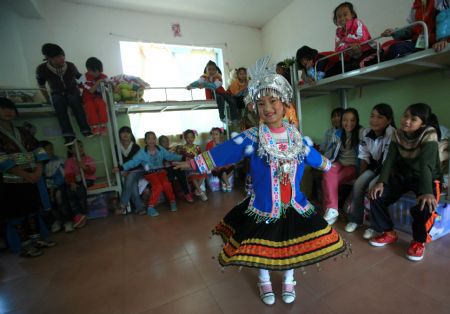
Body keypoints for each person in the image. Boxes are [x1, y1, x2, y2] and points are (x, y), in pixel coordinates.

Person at [174, 64, 345, 306]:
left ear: (285, 105)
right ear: (256, 109)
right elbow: (225, 152)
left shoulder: (297, 137)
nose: (267, 108)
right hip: (263, 207)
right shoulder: (252, 137)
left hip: (295, 205)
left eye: (273, 101)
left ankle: (289, 278)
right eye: (261, 104)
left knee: (290, 245)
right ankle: (264, 279)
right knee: (262, 248)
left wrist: (329, 166)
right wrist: (194, 164)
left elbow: (315, 158)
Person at [368, 103, 442, 262]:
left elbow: (426, 165)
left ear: (422, 123)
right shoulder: (397, 133)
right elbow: (390, 159)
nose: (406, 121)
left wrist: (427, 192)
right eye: (405, 116)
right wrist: (381, 181)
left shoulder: (429, 133)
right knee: (375, 195)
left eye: (413, 119)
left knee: (427, 204)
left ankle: (418, 241)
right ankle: (388, 232)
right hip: (404, 175)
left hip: (427, 177)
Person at [0, 98, 55, 257]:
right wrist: (25, 174)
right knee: (17, 214)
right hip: (10, 181)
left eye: (10, 108)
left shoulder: (23, 132)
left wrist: (37, 172)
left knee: (32, 210)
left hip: (32, 178)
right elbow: (2, 160)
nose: (8, 112)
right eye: (3, 108)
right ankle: (25, 245)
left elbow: (39, 152)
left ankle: (37, 240)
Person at [344, 104, 396, 240]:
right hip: (375, 166)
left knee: (373, 187)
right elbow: (364, 156)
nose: (374, 120)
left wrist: (380, 181)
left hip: (389, 169)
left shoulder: (391, 133)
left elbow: (388, 162)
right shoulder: (366, 133)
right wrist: (360, 176)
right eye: (372, 116)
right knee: (358, 184)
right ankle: (356, 219)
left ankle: (375, 226)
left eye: (380, 117)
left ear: (389, 120)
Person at [36, 43, 92, 145]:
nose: (62, 58)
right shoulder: (42, 69)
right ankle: (68, 135)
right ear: (49, 58)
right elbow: (41, 86)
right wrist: (48, 100)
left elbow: (80, 78)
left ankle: (85, 130)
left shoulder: (70, 66)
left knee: (75, 102)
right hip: (57, 93)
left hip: (72, 91)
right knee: (58, 104)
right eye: (57, 57)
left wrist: (88, 87)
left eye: (63, 55)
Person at [117, 131, 182, 217]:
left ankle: (172, 201)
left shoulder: (160, 149)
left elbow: (170, 156)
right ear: (145, 141)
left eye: (153, 138)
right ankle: (150, 207)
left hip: (161, 172)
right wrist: (121, 167)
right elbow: (134, 161)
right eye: (149, 138)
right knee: (158, 186)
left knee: (167, 184)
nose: (151, 140)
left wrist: (182, 157)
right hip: (150, 174)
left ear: (156, 140)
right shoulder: (142, 152)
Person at [322, 108, 362, 225]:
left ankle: (330, 210)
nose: (348, 123)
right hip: (339, 163)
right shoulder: (338, 133)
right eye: (345, 120)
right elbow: (330, 152)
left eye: (352, 120)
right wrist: (324, 161)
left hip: (353, 166)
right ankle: (333, 210)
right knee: (328, 171)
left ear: (357, 120)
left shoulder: (361, 132)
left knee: (328, 181)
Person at [41, 140, 87, 232]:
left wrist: (55, 186)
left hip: (61, 184)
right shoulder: (40, 164)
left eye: (51, 149)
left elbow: (64, 176)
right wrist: (50, 188)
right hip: (48, 186)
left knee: (59, 195)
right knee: (48, 199)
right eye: (47, 150)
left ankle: (67, 220)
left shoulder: (59, 160)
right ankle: (56, 220)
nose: (50, 151)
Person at [381, 0, 450, 58]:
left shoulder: (440, 1)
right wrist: (394, 32)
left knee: (395, 49)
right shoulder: (416, 5)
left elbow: (445, 17)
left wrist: (443, 39)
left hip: (437, 41)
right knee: (394, 48)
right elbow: (411, 28)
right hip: (419, 44)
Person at [333, 2, 375, 70]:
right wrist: (348, 46)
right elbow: (337, 49)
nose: (342, 18)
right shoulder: (338, 32)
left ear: (352, 14)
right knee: (338, 68)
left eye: (345, 14)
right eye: (339, 17)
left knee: (358, 66)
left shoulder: (357, 22)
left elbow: (363, 38)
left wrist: (347, 41)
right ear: (336, 20)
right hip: (355, 56)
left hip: (369, 51)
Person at [116, 126, 144, 215]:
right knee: (133, 185)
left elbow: (138, 163)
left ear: (131, 134)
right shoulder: (116, 147)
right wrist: (123, 170)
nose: (125, 134)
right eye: (123, 132)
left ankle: (123, 204)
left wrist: (126, 170)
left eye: (128, 132)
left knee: (130, 176)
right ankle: (140, 208)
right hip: (126, 173)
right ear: (119, 135)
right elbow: (117, 162)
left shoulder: (136, 147)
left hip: (139, 170)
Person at [64, 140, 95, 220]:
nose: (80, 148)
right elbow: (68, 174)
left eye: (81, 146)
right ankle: (77, 214)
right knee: (69, 191)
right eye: (76, 147)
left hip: (88, 180)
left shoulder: (88, 158)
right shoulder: (69, 161)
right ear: (70, 150)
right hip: (76, 182)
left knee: (80, 189)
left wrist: (84, 167)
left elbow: (92, 171)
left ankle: (84, 212)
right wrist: (72, 183)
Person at [158, 135, 194, 203]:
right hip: (164, 168)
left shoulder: (171, 150)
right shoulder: (158, 151)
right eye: (164, 142)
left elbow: (175, 157)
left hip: (173, 166)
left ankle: (187, 194)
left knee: (181, 172)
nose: (167, 143)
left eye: (167, 141)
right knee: (169, 177)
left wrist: (181, 156)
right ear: (160, 143)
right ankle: (172, 197)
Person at [78, 57, 109, 136]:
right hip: (87, 98)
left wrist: (111, 84)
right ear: (89, 70)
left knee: (101, 104)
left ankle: (103, 126)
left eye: (99, 71)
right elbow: (91, 90)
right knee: (90, 106)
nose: (98, 74)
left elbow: (109, 84)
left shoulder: (102, 76)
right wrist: (98, 81)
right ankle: (94, 126)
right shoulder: (84, 78)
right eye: (95, 72)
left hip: (98, 98)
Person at [177, 129, 208, 201]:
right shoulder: (182, 148)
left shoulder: (197, 147)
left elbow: (201, 157)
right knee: (192, 175)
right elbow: (181, 158)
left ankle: (197, 190)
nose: (190, 139)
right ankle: (200, 192)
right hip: (187, 167)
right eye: (188, 137)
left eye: (191, 137)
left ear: (194, 138)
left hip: (197, 166)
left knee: (205, 172)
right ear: (185, 138)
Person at [206, 127, 234, 192]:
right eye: (213, 134)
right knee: (222, 169)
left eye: (216, 134)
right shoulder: (209, 144)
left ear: (220, 135)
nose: (214, 136)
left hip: (223, 162)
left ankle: (223, 182)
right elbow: (207, 156)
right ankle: (228, 184)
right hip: (214, 164)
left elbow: (226, 154)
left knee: (232, 167)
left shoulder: (223, 143)